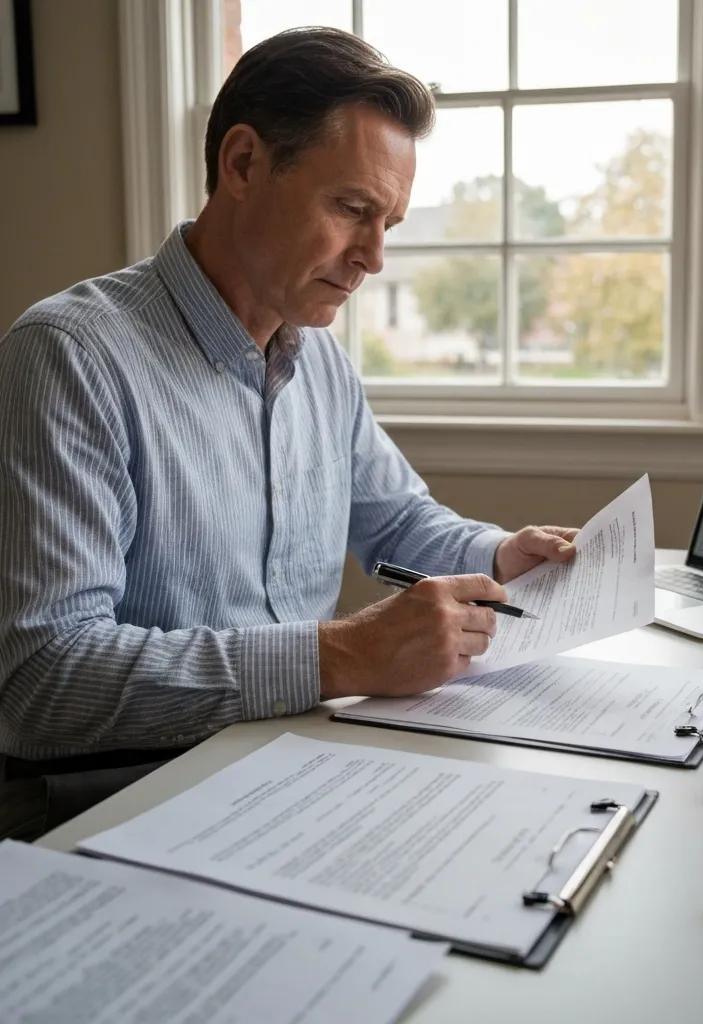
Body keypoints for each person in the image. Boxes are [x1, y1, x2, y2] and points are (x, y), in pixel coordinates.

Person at [0, 28, 578, 836]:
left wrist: (498, 554)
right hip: (120, 799)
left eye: (390, 224)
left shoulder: (322, 365)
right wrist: (337, 656)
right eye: (352, 209)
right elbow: (41, 685)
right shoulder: (69, 359)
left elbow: (397, 522)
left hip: (298, 768)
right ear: (242, 164)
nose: (373, 257)